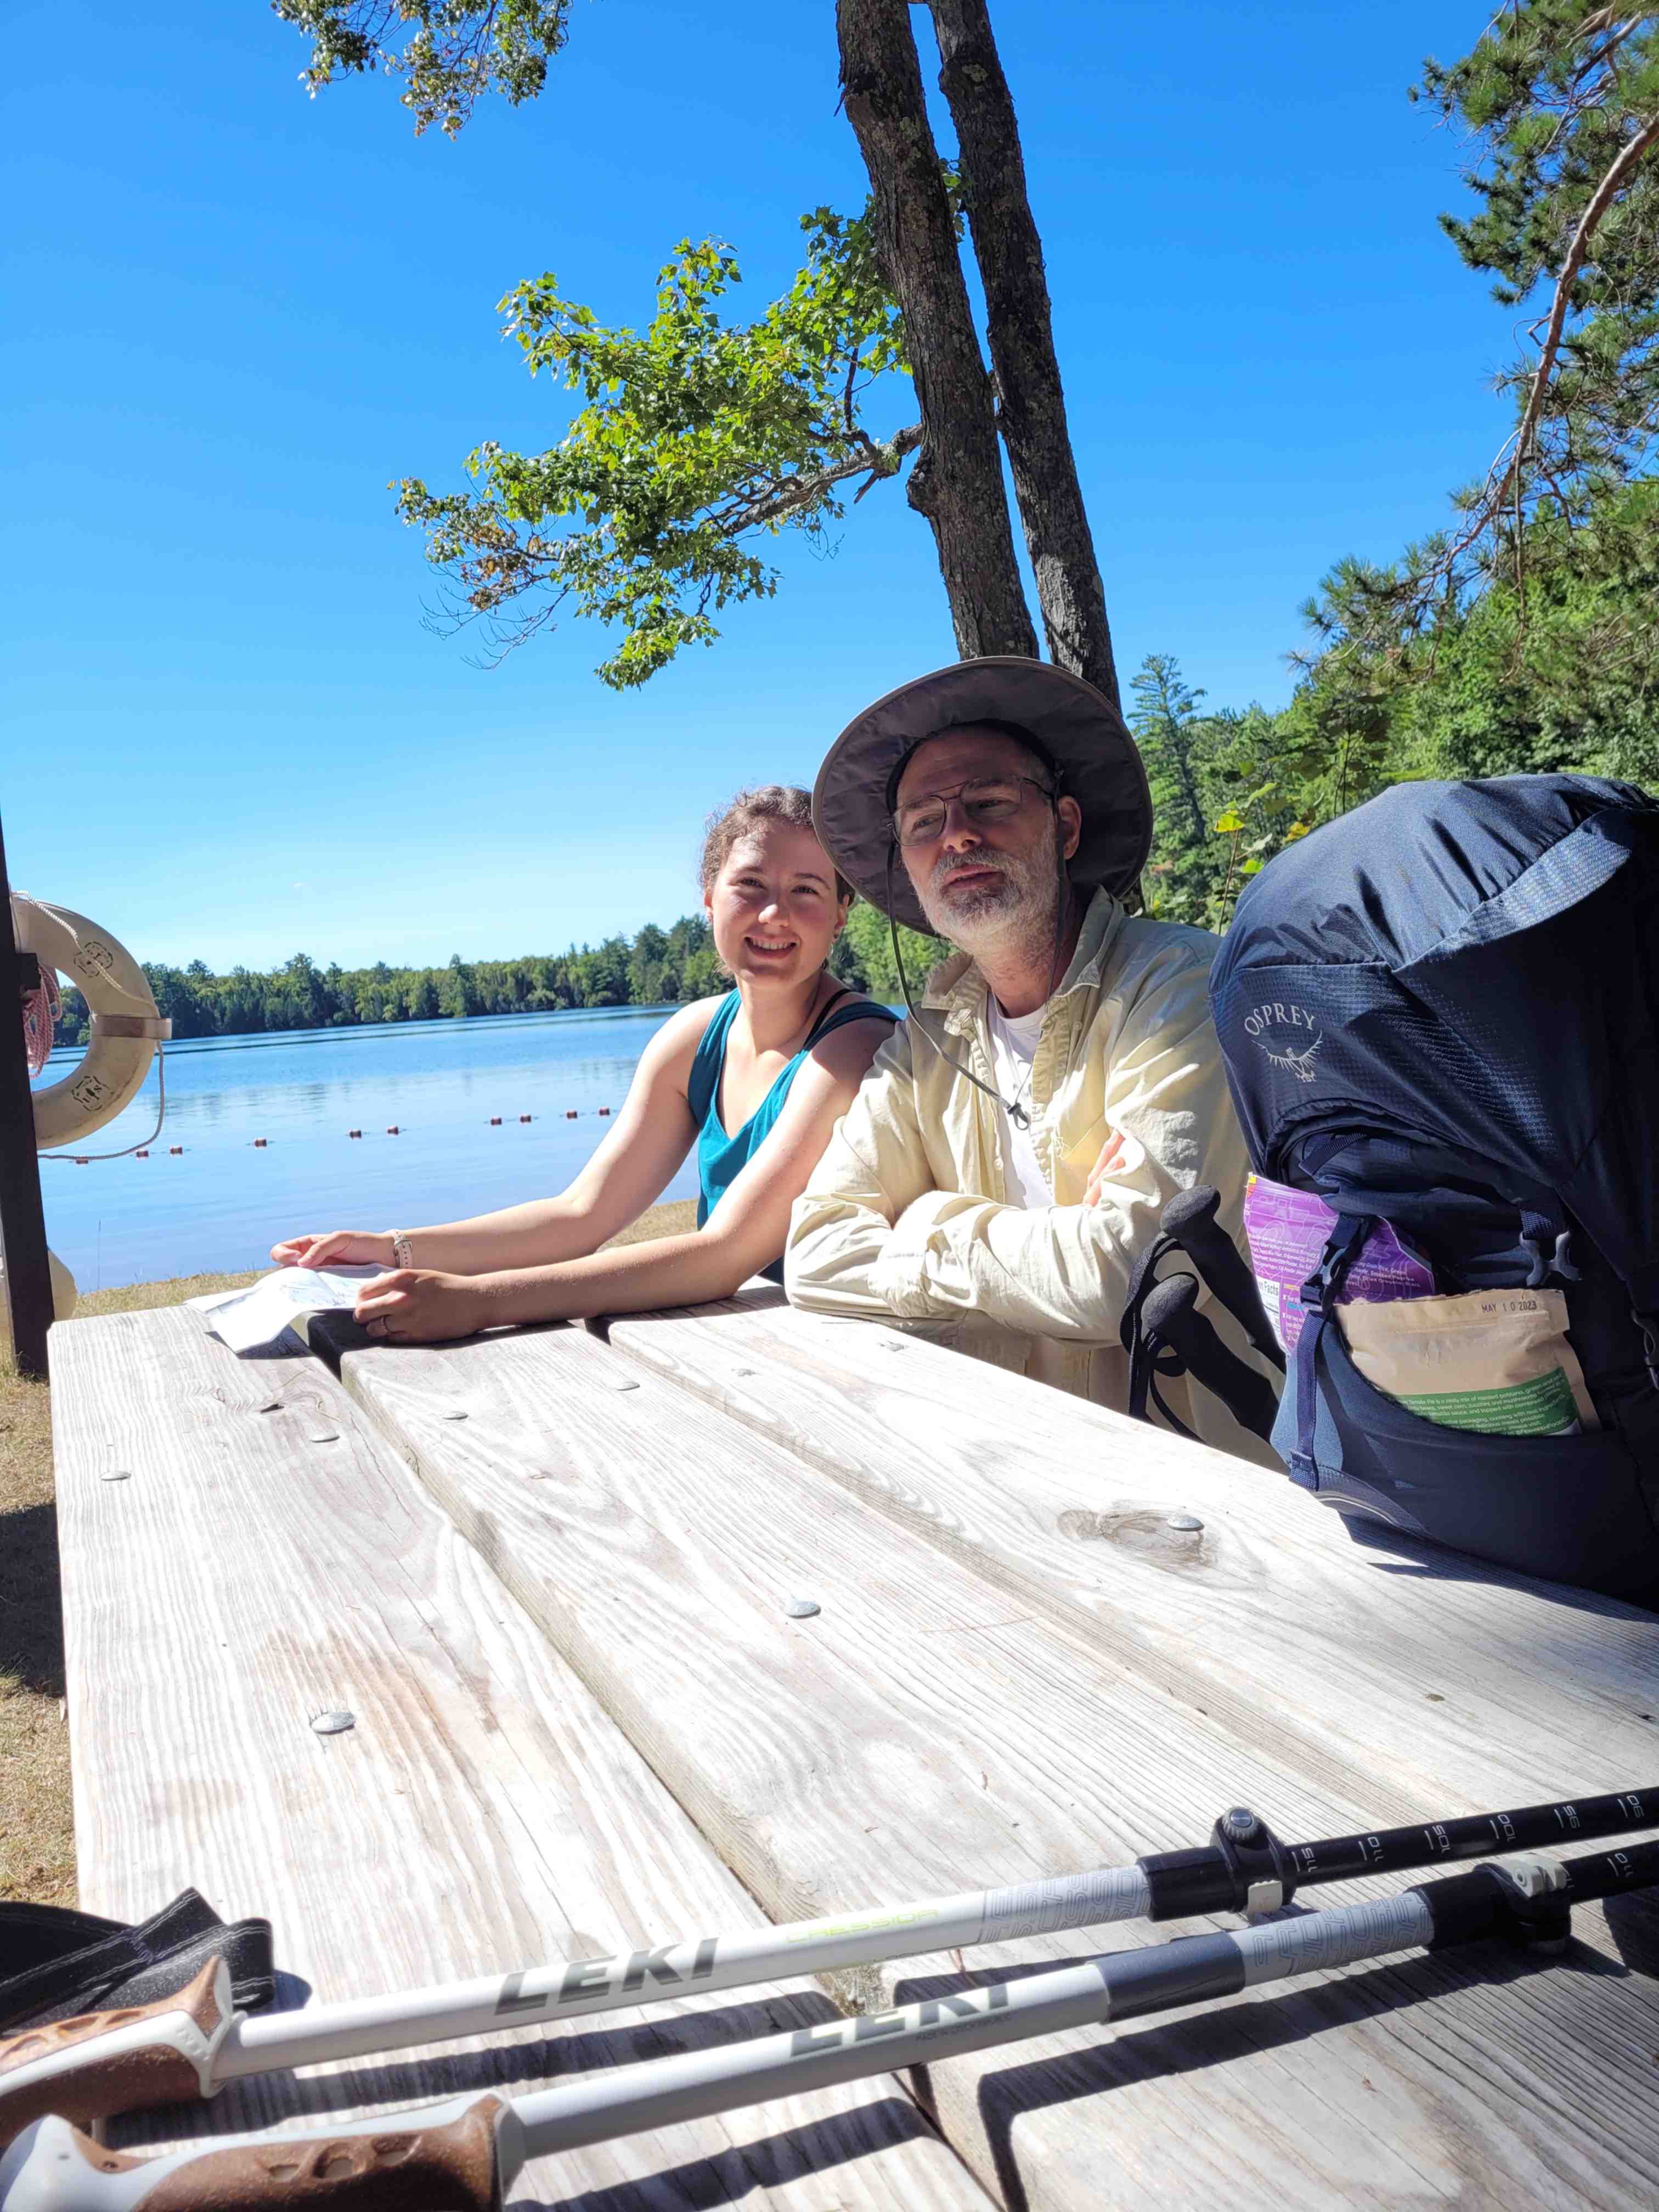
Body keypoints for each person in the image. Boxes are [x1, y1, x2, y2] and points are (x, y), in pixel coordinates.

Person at [785, 657, 1277, 1463]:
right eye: (923, 824)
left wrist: (926, 1219)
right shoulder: (923, 1044)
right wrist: (1048, 1243)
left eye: (989, 803)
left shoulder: (1180, 987)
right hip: (1007, 1465)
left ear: (1068, 827)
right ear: (907, 864)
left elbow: (1128, 1275)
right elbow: (812, 1256)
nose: (958, 837)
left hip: (1204, 1478)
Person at [272, 787, 895, 1342]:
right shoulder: (695, 1036)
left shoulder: (853, 1045)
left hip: (859, 1348)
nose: (773, 914)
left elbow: (724, 1254)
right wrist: (392, 1249)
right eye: (750, 885)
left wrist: (479, 1302)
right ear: (709, 900)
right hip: (753, 1342)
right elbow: (581, 1215)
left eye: (806, 891)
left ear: (842, 912)